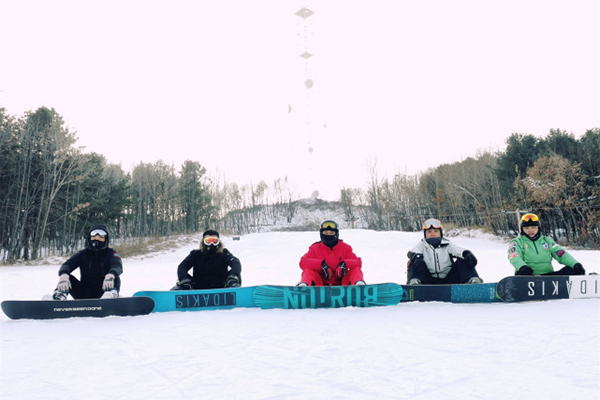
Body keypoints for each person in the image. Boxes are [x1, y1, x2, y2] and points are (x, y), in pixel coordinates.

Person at [50, 224, 123, 300]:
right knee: (68, 278)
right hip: (84, 293)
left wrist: (110, 275)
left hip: (103, 291)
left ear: (106, 239)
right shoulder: (83, 254)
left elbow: (117, 266)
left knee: (115, 277)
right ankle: (59, 296)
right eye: (93, 236)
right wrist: (64, 275)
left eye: (100, 236)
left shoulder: (111, 253)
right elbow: (68, 264)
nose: (96, 238)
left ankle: (110, 295)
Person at [406, 218, 482, 285]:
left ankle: (473, 282)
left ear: (440, 233)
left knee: (463, 259)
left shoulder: (447, 244)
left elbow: (459, 251)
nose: (432, 233)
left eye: (435, 231)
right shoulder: (422, 245)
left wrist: (467, 254)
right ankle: (414, 284)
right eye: (429, 231)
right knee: (413, 261)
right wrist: (416, 258)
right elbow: (412, 252)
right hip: (428, 280)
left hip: (449, 280)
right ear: (425, 234)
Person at [508, 213, 585, 276]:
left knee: (572, 270)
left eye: (533, 227)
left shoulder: (547, 241)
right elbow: (514, 256)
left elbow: (561, 254)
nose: (530, 230)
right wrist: (522, 267)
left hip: (547, 277)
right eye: (527, 228)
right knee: (521, 274)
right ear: (522, 229)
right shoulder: (517, 242)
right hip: (528, 276)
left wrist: (575, 264)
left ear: (538, 228)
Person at [298, 220, 365, 286]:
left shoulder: (345, 248)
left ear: (336, 234)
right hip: (320, 286)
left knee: (356, 270)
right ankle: (304, 289)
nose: (328, 235)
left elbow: (358, 262)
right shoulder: (314, 248)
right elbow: (303, 262)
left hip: (343, 285)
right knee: (308, 271)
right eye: (326, 233)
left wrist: (345, 264)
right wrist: (321, 265)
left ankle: (359, 287)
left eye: (331, 233)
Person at [170, 230, 242, 290]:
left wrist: (233, 276)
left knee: (236, 275)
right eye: (208, 241)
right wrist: (185, 280)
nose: (211, 244)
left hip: (221, 286)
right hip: (198, 287)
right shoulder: (195, 254)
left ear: (219, 242)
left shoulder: (224, 253)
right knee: (181, 279)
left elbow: (235, 262)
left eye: (214, 241)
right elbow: (182, 266)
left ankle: (235, 290)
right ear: (203, 242)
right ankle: (177, 294)